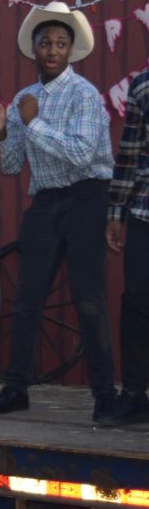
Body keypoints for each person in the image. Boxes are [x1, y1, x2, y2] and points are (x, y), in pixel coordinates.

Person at [0, 2, 118, 423]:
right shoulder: (24, 99)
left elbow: (82, 155)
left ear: (71, 50)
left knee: (89, 299)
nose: (53, 49)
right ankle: (16, 388)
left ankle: (104, 394)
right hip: (44, 202)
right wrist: (5, 131)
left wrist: (34, 124)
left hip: (85, 197)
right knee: (27, 299)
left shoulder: (85, 95)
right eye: (46, 42)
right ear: (34, 49)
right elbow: (8, 165)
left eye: (61, 43)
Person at [107, 64, 149, 426]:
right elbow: (130, 152)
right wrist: (116, 210)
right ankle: (135, 393)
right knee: (136, 303)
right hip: (143, 210)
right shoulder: (142, 85)